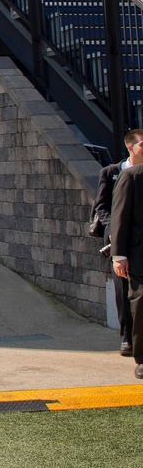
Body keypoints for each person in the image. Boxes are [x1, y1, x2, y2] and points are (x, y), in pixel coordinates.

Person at [93, 129, 143, 356]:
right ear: (131, 147)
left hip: (136, 242)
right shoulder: (114, 172)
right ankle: (127, 337)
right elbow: (102, 207)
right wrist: (113, 231)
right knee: (124, 291)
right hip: (118, 241)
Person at [108, 149, 143, 381]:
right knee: (141, 306)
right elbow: (119, 215)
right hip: (140, 256)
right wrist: (118, 254)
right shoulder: (131, 176)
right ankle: (142, 359)